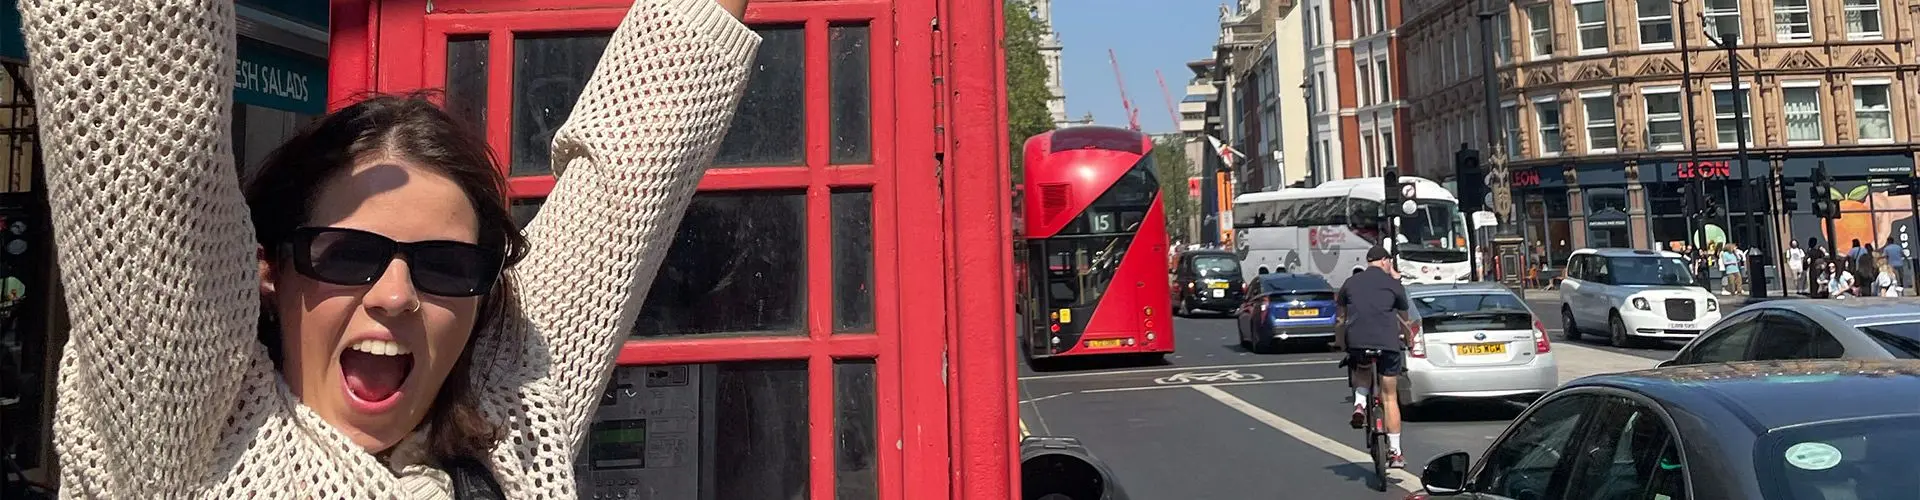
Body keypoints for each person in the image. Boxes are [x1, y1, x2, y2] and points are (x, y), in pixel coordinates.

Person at [22, 0, 758, 496]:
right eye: (345, 254)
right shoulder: (185, 432)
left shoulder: (513, 413)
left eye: (444, 265)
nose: (397, 294)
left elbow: (632, 175)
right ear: (268, 268)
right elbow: (139, 87)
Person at [1333, 246, 1414, 469]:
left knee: (1362, 369)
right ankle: (1396, 452)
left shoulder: (1350, 282)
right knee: (1389, 397)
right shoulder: (1393, 285)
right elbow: (1405, 320)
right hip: (1388, 344)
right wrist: (1409, 340)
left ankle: (1359, 404)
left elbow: (1340, 318)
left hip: (1359, 341)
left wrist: (1341, 342)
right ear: (1385, 261)